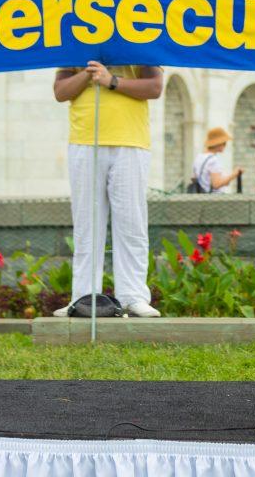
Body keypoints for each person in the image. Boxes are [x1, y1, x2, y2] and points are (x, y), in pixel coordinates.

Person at [53, 61, 163, 318]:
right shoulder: (75, 36)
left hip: (130, 141)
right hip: (84, 140)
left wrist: (111, 80)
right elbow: (60, 91)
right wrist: (90, 75)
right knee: (86, 224)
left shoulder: (140, 32)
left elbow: (155, 86)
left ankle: (133, 297)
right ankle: (83, 296)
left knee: (131, 222)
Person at [191, 127, 242, 194]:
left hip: (201, 197)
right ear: (218, 143)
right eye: (224, 143)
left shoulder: (199, 157)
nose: (225, 145)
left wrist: (225, 180)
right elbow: (216, 184)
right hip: (214, 199)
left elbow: (196, 178)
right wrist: (235, 174)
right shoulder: (213, 161)